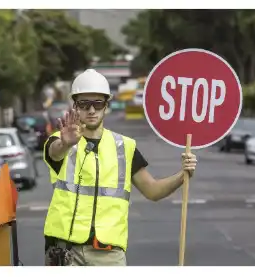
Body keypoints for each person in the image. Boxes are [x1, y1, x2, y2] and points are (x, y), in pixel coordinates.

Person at [42, 69, 198, 266]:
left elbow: (153, 191)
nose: (91, 110)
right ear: (75, 106)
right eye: (84, 104)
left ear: (107, 106)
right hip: (64, 251)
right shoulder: (59, 140)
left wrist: (183, 175)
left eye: (98, 104)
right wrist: (66, 143)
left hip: (108, 255)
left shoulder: (125, 147)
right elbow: (56, 152)